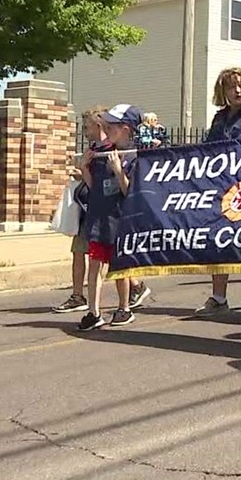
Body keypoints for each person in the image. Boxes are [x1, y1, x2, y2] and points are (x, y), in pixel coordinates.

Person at [192, 67, 241, 318]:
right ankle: (219, 298)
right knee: (220, 240)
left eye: (240, 85)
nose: (236, 90)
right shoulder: (219, 119)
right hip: (224, 190)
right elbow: (208, 151)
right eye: (230, 86)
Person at [76, 104, 142, 331]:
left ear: (125, 129)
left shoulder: (132, 156)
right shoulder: (102, 152)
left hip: (119, 219)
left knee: (119, 268)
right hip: (99, 217)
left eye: (112, 125)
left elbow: (129, 191)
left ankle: (124, 307)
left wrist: (118, 170)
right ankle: (93, 312)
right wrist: (85, 168)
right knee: (95, 265)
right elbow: (95, 187)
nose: (107, 128)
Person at [53, 106, 109, 314]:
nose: (85, 132)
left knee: (106, 256)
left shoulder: (108, 150)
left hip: (102, 211)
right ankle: (78, 295)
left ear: (98, 125)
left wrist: (85, 169)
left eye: (87, 127)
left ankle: (133, 288)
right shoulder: (92, 149)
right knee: (78, 251)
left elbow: (100, 184)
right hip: (87, 208)